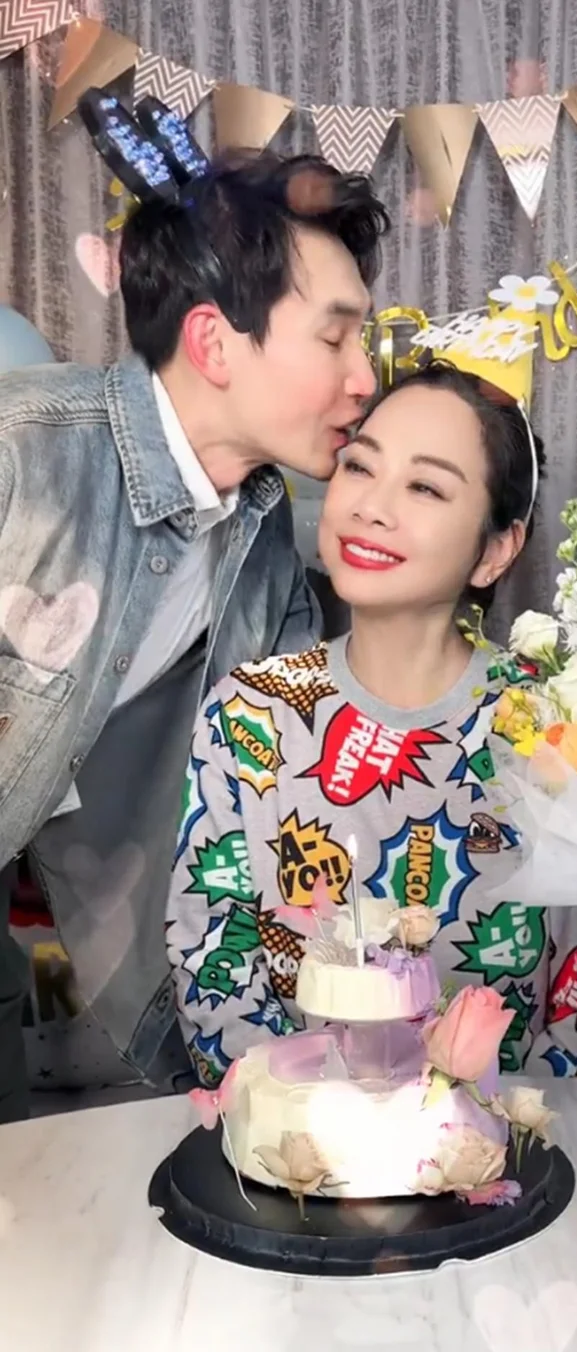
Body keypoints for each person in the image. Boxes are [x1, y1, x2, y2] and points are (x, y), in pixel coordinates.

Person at [0, 145, 390, 1123]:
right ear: (214, 343)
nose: (364, 377)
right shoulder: (20, 455)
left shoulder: (262, 537)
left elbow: (281, 782)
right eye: (335, 338)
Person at [167, 362, 577, 1086]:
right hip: (292, 1146)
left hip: (511, 1149)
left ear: (496, 549)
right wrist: (315, 1129)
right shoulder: (248, 714)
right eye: (360, 467)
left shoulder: (556, 724)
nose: (372, 506)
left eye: (425, 487)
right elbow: (215, 979)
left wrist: (475, 1135)